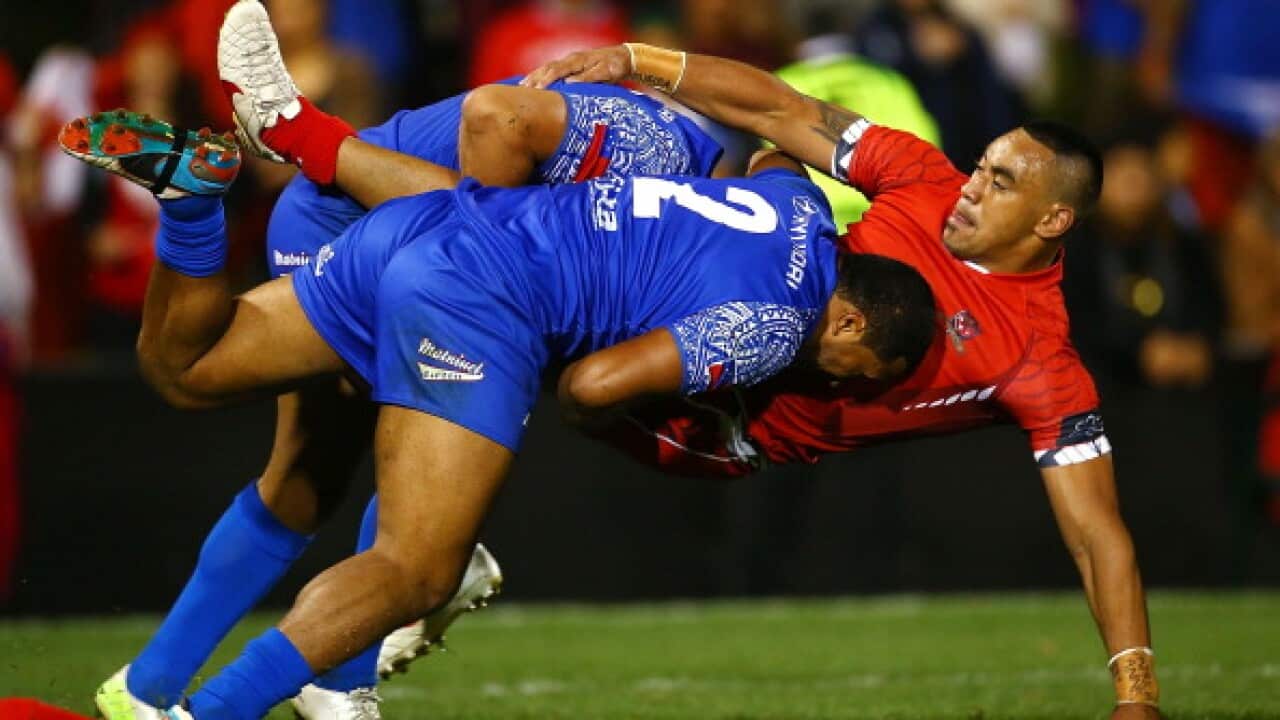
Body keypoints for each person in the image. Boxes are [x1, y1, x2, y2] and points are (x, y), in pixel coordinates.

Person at [69, 10, 936, 720]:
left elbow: (772, 147)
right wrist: (667, 394)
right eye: (863, 366)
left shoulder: (789, 200)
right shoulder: (776, 324)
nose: (846, 382)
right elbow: (592, 384)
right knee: (408, 556)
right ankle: (228, 707)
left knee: (193, 374)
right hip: (454, 280)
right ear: (849, 313)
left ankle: (194, 208)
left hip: (415, 231)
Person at [522, 43, 1162, 717]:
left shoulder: (1039, 360)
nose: (971, 186)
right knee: (735, 171)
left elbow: (1096, 531)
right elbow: (780, 108)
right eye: (981, 167)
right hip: (698, 296)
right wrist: (633, 59)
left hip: (715, 419)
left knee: (557, 373)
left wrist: (1136, 697)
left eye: (1001, 183)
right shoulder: (921, 176)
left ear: (1053, 219)